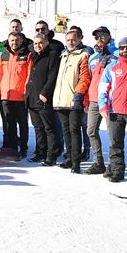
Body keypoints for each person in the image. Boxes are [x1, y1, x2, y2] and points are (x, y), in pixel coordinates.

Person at [98, 37, 127, 183]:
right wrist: (103, 105)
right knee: (115, 144)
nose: (126, 50)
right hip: (114, 111)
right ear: (119, 49)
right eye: (123, 48)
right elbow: (103, 88)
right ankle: (117, 171)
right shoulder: (112, 67)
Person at [52, 29, 90, 173]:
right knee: (66, 130)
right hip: (61, 99)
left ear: (80, 39)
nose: (71, 42)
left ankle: (76, 161)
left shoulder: (83, 55)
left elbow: (84, 77)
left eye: (74, 39)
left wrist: (79, 94)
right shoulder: (63, 55)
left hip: (74, 99)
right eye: (68, 40)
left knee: (75, 130)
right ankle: (69, 157)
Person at [84, 26, 116, 176]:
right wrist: (86, 99)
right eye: (97, 37)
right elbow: (89, 79)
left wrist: (109, 52)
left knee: (112, 134)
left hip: (111, 101)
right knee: (91, 131)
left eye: (102, 36)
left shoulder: (116, 54)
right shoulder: (93, 56)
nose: (99, 40)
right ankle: (98, 162)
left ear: (109, 37)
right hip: (94, 100)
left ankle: (113, 164)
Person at [0, 31, 31, 156]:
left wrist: (26, 93)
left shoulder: (27, 55)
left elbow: (29, 76)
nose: (14, 43)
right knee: (9, 124)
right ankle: (12, 147)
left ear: (21, 41)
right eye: (12, 40)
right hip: (6, 95)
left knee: (23, 124)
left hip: (20, 96)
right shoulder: (3, 55)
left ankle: (24, 147)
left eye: (17, 40)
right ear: (8, 41)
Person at [25, 33, 60, 164]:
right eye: (35, 43)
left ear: (46, 43)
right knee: (38, 127)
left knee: (49, 128)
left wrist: (45, 92)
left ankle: (52, 155)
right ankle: (41, 152)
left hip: (44, 97)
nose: (38, 46)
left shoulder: (52, 55)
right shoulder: (33, 56)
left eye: (40, 43)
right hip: (32, 96)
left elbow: (53, 76)